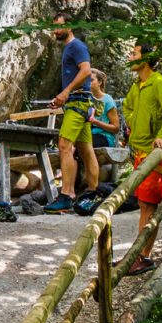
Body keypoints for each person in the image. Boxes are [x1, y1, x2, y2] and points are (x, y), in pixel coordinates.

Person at [123, 41, 162, 273]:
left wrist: (161, 135)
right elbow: (127, 107)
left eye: (134, 53)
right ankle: (139, 254)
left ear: (145, 59)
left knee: (149, 206)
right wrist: (134, 123)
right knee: (143, 204)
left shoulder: (159, 82)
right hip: (139, 151)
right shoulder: (137, 85)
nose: (130, 56)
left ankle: (144, 257)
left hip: (153, 154)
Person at [44, 13, 99, 213]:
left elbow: (86, 71)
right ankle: (93, 193)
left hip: (77, 102)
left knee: (64, 146)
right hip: (80, 102)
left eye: (59, 26)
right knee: (86, 149)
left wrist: (66, 92)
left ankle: (67, 195)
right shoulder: (70, 48)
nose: (55, 31)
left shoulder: (76, 46)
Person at [90, 67, 122, 151]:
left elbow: (116, 128)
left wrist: (96, 122)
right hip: (87, 135)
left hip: (104, 137)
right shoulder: (86, 98)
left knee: (85, 144)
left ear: (99, 82)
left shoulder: (107, 100)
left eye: (91, 80)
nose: (88, 83)